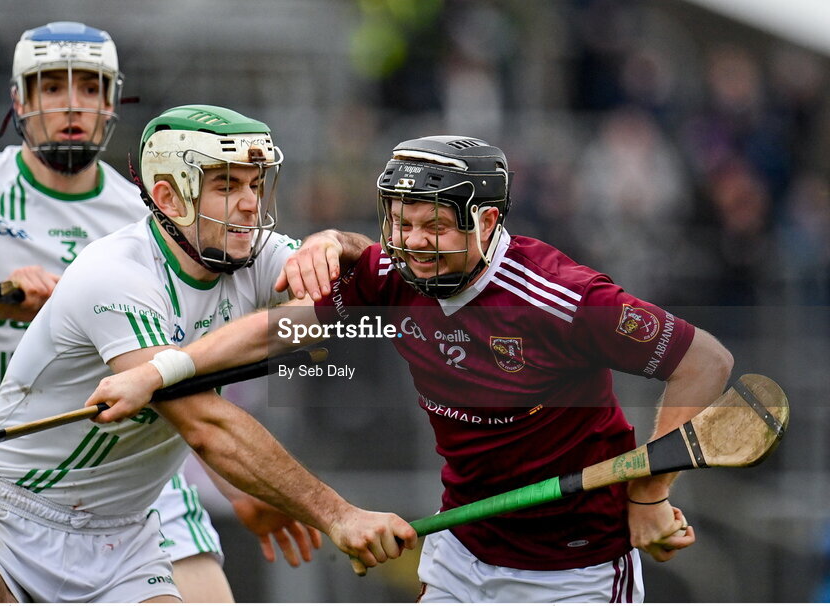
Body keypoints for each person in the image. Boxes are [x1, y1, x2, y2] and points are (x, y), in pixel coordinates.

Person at [86, 135, 736, 602]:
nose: (413, 242)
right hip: (462, 547)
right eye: (400, 223)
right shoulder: (396, 274)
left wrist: (651, 494)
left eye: (432, 225)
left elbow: (705, 361)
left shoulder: (564, 299)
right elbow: (279, 333)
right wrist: (164, 370)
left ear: (485, 221)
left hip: (576, 569)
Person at [0, 22, 331, 602]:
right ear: (20, 101)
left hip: (143, 484)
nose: (73, 104)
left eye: (93, 88)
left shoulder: (158, 216)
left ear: (113, 103)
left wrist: (246, 488)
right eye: (52, 87)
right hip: (14, 474)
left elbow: (202, 368)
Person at [0, 104, 416, 602]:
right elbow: (205, 425)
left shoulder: (253, 254)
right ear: (170, 198)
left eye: (255, 185)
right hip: (3, 516)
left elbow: (374, 283)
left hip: (123, 536)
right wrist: (337, 514)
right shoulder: (116, 275)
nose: (248, 204)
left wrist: (334, 243)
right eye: (226, 185)